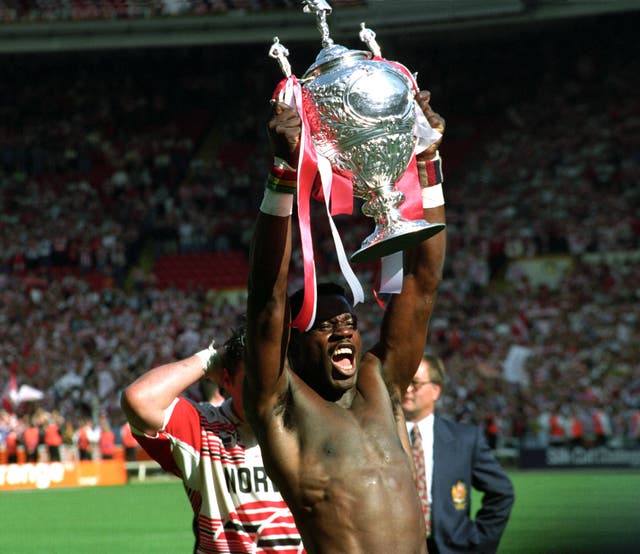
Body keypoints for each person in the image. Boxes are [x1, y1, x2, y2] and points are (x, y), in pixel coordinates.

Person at [244, 90, 447, 553]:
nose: (343, 330)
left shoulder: (382, 382)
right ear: (293, 345)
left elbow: (423, 281)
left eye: (349, 321)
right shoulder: (280, 404)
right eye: (324, 323)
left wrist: (427, 160)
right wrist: (282, 175)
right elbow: (266, 302)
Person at [120, 329, 305, 554]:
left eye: (275, 379)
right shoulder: (204, 428)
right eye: (254, 381)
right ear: (226, 380)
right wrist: (209, 359)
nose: (266, 393)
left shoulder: (305, 427)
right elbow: (139, 399)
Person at [402, 355, 515, 554]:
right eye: (403, 382)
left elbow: (502, 492)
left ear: (435, 390)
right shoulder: (376, 437)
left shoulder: (466, 439)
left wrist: (479, 542)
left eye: (415, 383)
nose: (407, 389)